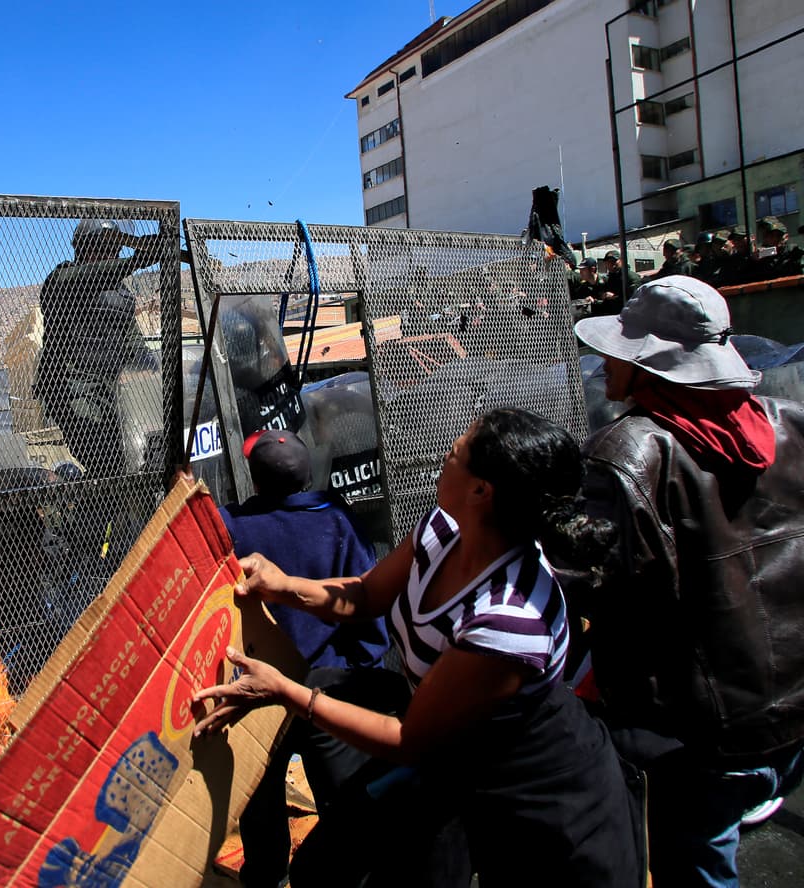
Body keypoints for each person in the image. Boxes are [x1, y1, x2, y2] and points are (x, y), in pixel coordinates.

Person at [194, 408, 645, 888]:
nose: (442, 456)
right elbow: (366, 594)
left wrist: (285, 692)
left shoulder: (508, 620)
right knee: (320, 869)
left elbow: (411, 740)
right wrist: (283, 586)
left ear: (480, 491)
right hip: (443, 753)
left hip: (531, 798)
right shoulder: (445, 529)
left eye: (455, 453)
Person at [572, 275, 804, 887]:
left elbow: (590, 585)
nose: (604, 364)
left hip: (697, 734)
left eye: (619, 353)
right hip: (791, 713)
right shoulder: (791, 425)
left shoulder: (627, 453)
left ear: (652, 367)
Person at [218, 429, 387, 888]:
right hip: (330, 686)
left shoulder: (233, 526)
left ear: (252, 478)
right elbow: (365, 595)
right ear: (309, 473)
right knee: (345, 802)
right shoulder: (337, 519)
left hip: (261, 686)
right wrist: (361, 665)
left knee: (261, 805)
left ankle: (267, 876)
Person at [34, 218, 166, 479]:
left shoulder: (120, 296)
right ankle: (91, 515)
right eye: (104, 249)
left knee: (145, 457)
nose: (110, 256)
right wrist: (136, 261)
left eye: (114, 250)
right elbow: (91, 277)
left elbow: (134, 344)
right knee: (109, 464)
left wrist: (155, 375)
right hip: (74, 392)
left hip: (114, 393)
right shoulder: (61, 280)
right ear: (85, 248)